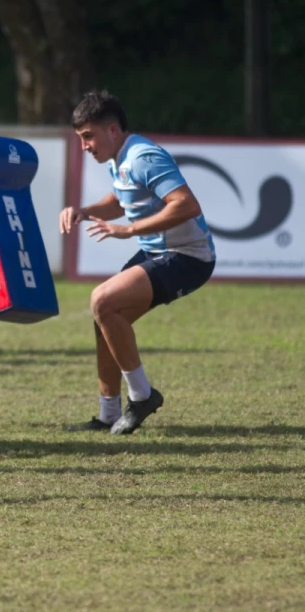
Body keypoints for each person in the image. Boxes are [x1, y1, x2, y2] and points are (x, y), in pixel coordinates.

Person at [61, 91, 215, 434]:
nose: (84, 146)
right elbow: (120, 199)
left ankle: (142, 396)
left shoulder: (143, 157)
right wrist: (85, 212)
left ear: (112, 130)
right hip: (157, 252)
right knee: (104, 317)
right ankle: (108, 414)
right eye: (80, 138)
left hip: (188, 256)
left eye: (88, 136)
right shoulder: (122, 156)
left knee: (103, 302)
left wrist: (129, 229)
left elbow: (186, 205)